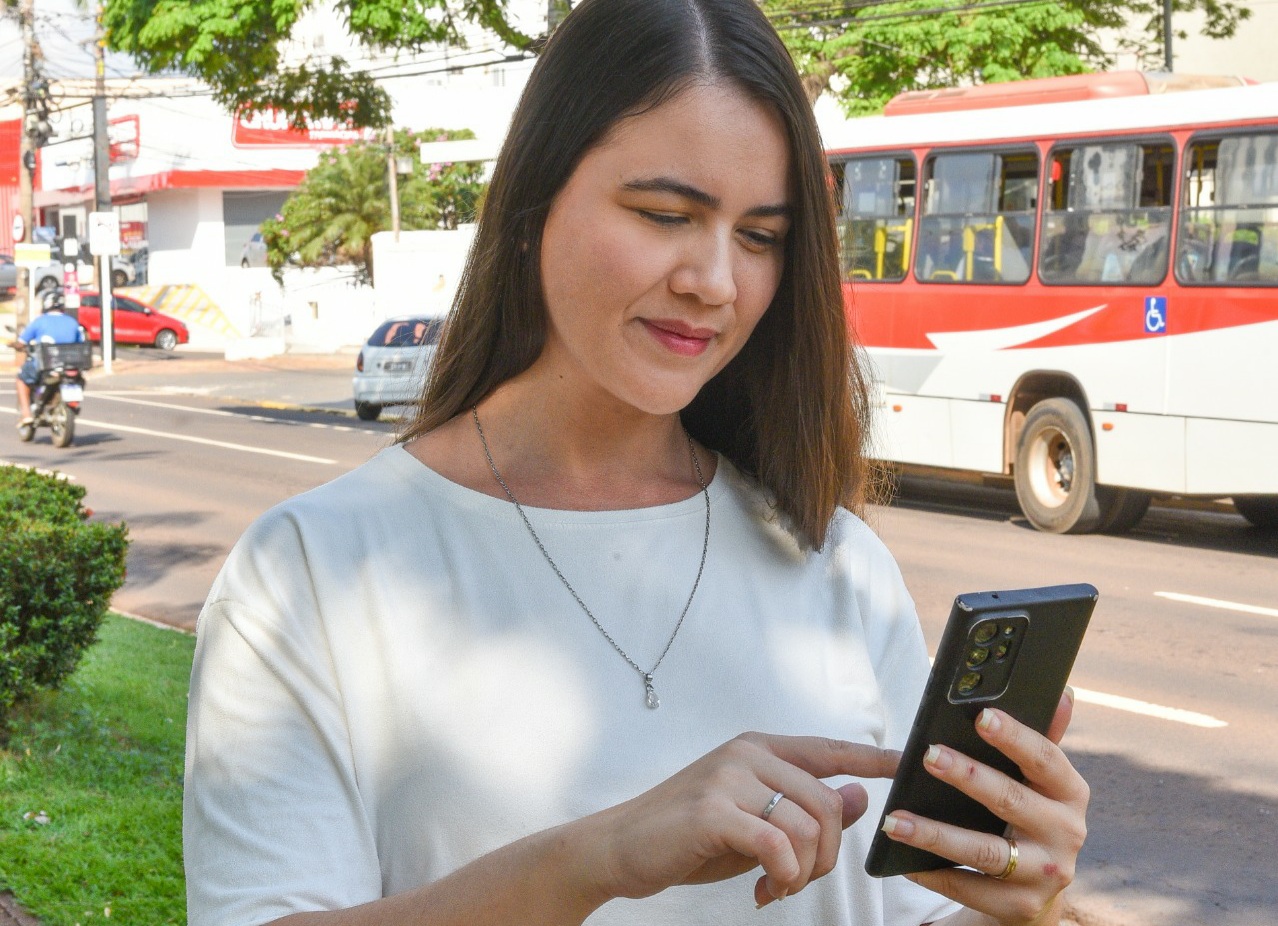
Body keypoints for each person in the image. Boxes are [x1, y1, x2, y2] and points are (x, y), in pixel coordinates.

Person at [183, 0, 1089, 924]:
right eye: (665, 214)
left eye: (761, 237)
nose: (715, 281)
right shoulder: (313, 569)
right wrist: (601, 856)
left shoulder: (837, 564)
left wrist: (1022, 903)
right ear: (533, 204)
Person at [12, 290, 85, 427]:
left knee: (21, 379)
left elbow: (22, 342)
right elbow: (81, 343)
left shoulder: (39, 322)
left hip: (46, 365)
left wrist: (14, 345)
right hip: (69, 365)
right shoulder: (73, 322)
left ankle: (26, 414)